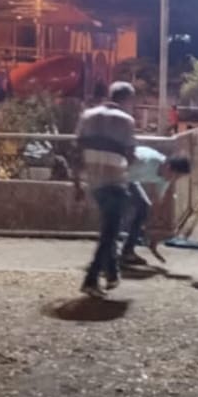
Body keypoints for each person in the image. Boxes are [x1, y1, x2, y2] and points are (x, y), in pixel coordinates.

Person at [73, 81, 137, 298]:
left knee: (109, 229)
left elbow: (76, 151)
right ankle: (91, 279)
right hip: (115, 180)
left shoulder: (87, 116)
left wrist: (77, 183)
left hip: (94, 180)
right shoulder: (126, 121)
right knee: (110, 233)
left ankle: (112, 274)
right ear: (127, 99)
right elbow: (130, 155)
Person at [119, 146, 193, 266]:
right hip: (114, 175)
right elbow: (122, 161)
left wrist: (154, 232)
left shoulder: (165, 178)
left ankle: (127, 251)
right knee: (118, 210)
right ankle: (109, 251)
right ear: (168, 167)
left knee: (143, 207)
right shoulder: (146, 160)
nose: (174, 180)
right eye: (175, 176)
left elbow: (157, 202)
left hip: (128, 180)